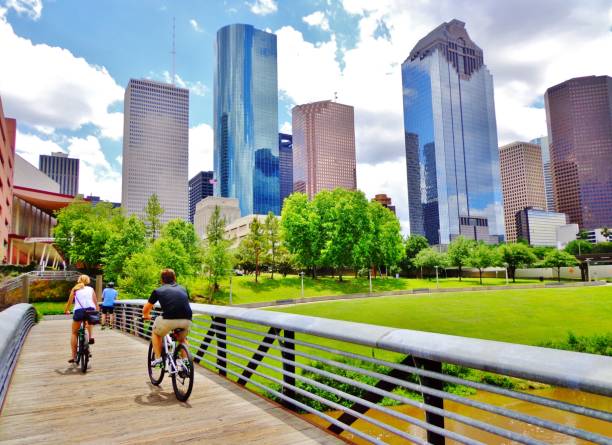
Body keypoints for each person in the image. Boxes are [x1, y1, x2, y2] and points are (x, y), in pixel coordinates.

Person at [142, 269, 192, 367]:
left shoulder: (158, 290)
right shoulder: (183, 288)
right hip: (187, 319)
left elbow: (145, 309)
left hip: (169, 319)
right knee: (182, 339)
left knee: (156, 333)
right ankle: (185, 362)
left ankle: (158, 359)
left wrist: (146, 316)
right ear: (175, 278)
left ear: (162, 280)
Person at [64, 275, 99, 363]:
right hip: (90, 310)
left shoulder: (75, 288)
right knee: (89, 323)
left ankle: (74, 356)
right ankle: (90, 338)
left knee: (74, 333)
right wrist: (97, 311)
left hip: (79, 311)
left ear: (79, 280)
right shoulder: (91, 289)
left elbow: (70, 301)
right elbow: (95, 302)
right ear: (88, 281)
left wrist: (67, 310)